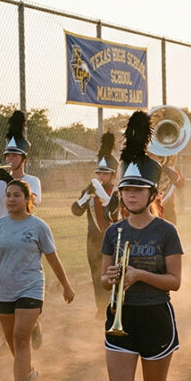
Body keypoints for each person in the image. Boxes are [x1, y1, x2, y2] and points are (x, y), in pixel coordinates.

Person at [93, 111, 183, 381]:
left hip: (156, 318)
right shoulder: (113, 232)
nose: (130, 195)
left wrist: (140, 275)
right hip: (121, 319)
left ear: (152, 195)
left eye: (138, 190)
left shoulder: (167, 231)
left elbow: (175, 282)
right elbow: (103, 275)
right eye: (126, 190)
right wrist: (111, 277)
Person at [0, 179, 75, 381]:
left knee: (20, 338)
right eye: (8, 195)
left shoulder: (38, 226)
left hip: (31, 287)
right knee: (11, 340)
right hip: (4, 289)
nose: (11, 199)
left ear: (28, 199)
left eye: (16, 195)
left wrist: (66, 286)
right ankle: (28, 373)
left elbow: (52, 258)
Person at [0, 110, 43, 298]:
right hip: (0, 238)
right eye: (7, 156)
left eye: (14, 156)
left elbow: (31, 204)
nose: (9, 160)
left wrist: (9, 181)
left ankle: (31, 323)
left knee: (24, 288)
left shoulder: (32, 181)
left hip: (22, 239)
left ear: (24, 160)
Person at [72, 133, 119, 312]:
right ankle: (101, 309)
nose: (100, 176)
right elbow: (76, 210)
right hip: (93, 239)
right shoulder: (89, 190)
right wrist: (86, 196)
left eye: (104, 173)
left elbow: (111, 213)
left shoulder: (117, 191)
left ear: (112, 175)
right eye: (98, 172)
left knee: (113, 273)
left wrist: (100, 192)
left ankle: (115, 306)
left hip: (114, 240)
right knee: (96, 274)